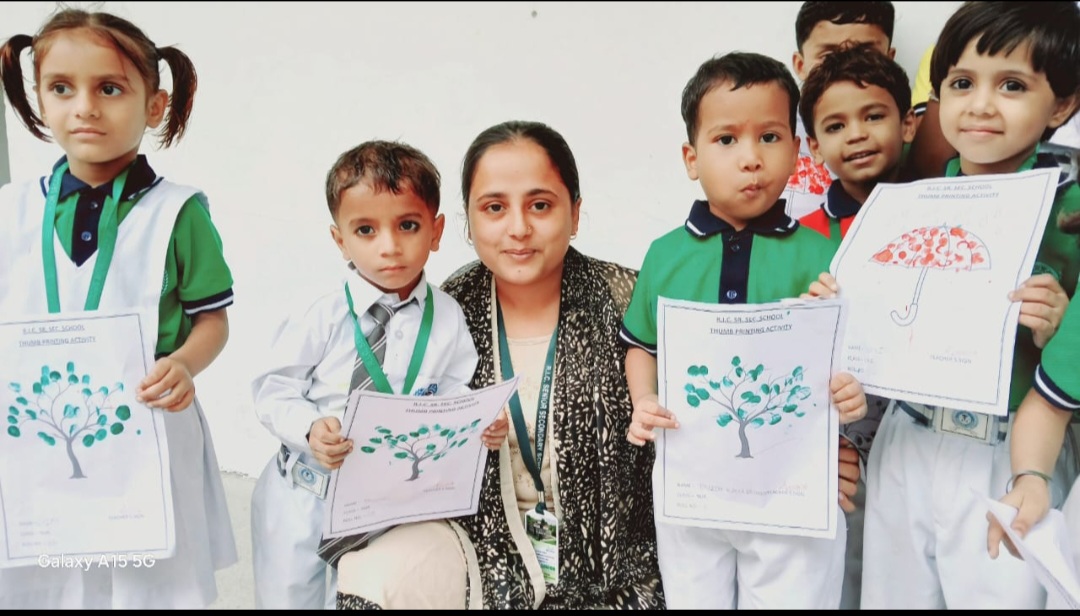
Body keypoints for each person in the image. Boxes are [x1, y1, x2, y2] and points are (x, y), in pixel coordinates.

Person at [336, 121, 665, 609]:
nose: (518, 228)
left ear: (574, 213)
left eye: (540, 205)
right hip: (482, 554)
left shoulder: (629, 300)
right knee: (373, 575)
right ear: (467, 222)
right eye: (494, 208)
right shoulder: (442, 314)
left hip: (618, 569)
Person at [0, 7, 236, 609]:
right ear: (39, 99)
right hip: (37, 431)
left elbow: (211, 320)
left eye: (109, 88)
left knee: (150, 584)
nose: (85, 107)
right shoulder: (10, 210)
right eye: (61, 88)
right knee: (44, 579)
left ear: (154, 106)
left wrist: (184, 363)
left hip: (148, 427)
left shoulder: (178, 213)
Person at [621, 51, 869, 610]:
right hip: (691, 485)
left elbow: (850, 360)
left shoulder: (826, 254)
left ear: (797, 149)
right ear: (692, 158)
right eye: (727, 139)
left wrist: (850, 395)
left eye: (770, 137)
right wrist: (644, 400)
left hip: (793, 487)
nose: (751, 158)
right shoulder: (665, 255)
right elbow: (641, 345)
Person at [855, 1, 1080, 608]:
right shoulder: (907, 207)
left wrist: (1056, 327)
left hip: (1008, 451)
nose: (980, 105)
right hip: (905, 436)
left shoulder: (1071, 215)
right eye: (961, 83)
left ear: (1062, 104)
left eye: (1012, 85)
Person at [249, 140, 508, 609]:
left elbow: (454, 392)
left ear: (436, 230)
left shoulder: (447, 317)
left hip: (386, 504)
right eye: (366, 230)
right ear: (340, 240)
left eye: (408, 225)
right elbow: (274, 389)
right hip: (305, 494)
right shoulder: (320, 313)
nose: (389, 246)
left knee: (363, 595)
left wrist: (478, 424)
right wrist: (309, 428)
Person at [786, 1, 896, 221]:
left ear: (889, 59)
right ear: (800, 65)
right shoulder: (774, 132)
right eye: (828, 56)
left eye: (865, 54)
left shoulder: (896, 128)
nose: (846, 67)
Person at [798, 41, 916, 241]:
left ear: (907, 125)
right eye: (836, 127)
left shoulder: (942, 213)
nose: (856, 135)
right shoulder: (805, 238)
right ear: (816, 148)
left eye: (874, 117)